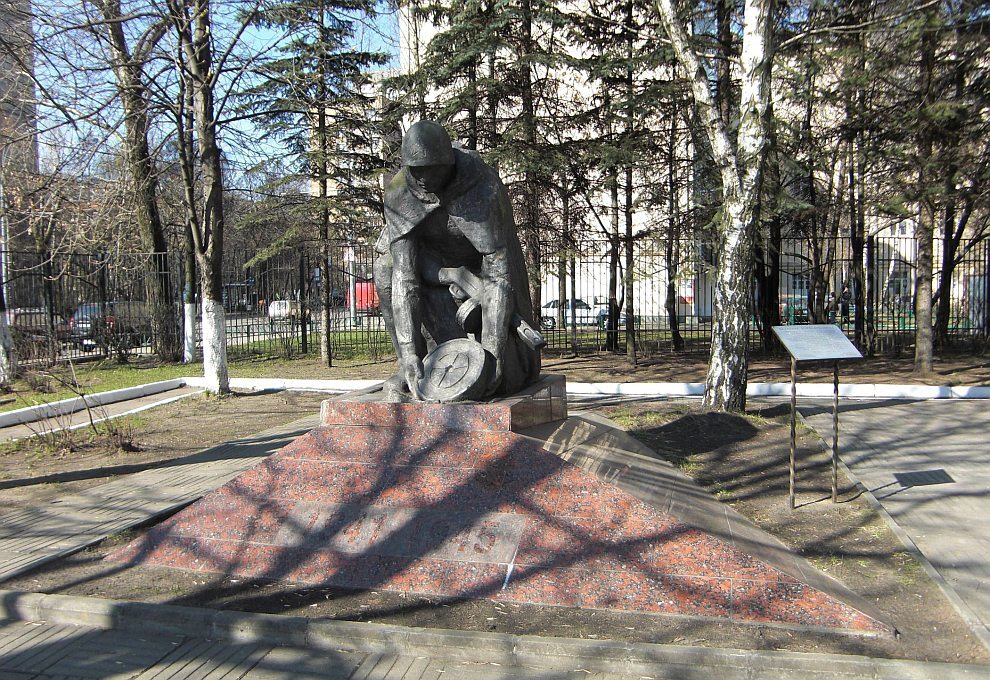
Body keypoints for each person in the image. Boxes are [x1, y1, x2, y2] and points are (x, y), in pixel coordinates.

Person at [374, 121, 541, 400]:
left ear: (448, 164)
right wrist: (408, 353)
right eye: (417, 171)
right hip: (437, 273)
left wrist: (494, 351)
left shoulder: (481, 185)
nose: (424, 179)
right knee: (384, 269)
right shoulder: (400, 192)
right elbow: (405, 277)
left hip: (482, 284)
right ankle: (413, 368)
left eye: (433, 170)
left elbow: (498, 274)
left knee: (500, 376)